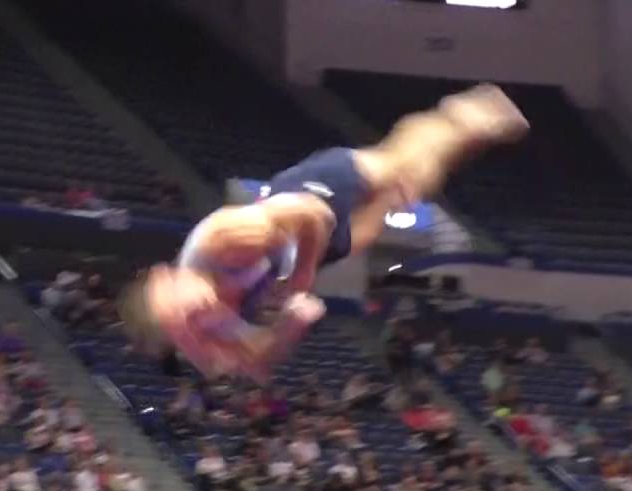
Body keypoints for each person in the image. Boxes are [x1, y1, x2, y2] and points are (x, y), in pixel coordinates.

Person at [118, 85, 527, 380]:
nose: (200, 312)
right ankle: (452, 128)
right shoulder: (191, 326)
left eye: (189, 308)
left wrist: (301, 280)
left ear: (166, 276)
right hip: (311, 248)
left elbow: (314, 215)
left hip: (311, 200)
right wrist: (287, 329)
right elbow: (258, 363)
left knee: (399, 164)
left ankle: (457, 118)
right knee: (413, 187)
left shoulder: (228, 242)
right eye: (188, 323)